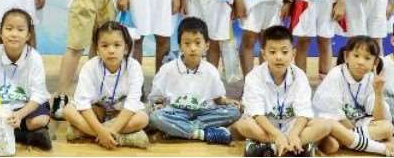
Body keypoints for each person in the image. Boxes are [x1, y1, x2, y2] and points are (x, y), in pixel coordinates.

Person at [232, 25, 330, 157]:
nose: (278, 57)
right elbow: (257, 114)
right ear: (264, 54)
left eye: (284, 52)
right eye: (272, 52)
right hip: (265, 128)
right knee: (243, 124)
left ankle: (270, 147)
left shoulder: (299, 76)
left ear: (293, 54)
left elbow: (303, 112)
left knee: (325, 125)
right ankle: (294, 147)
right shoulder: (254, 76)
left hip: (292, 127)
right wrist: (277, 135)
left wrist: (294, 134)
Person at [313, 36, 394, 156]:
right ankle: (380, 147)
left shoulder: (371, 78)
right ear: (346, 56)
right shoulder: (335, 75)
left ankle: (344, 141)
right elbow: (336, 117)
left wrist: (378, 93)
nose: (361, 62)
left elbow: (380, 118)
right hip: (333, 124)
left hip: (354, 126)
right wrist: (354, 133)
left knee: (388, 127)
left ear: (375, 62)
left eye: (367, 58)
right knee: (333, 142)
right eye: (356, 56)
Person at [148, 17, 241, 146]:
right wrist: (158, 105)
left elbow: (218, 99)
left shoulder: (211, 70)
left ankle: (178, 130)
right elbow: (157, 97)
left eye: (197, 43)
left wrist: (228, 102)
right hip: (177, 113)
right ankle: (205, 134)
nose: (192, 48)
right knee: (156, 117)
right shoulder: (167, 69)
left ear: (206, 45)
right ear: (180, 46)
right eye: (187, 43)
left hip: (204, 113)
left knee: (234, 112)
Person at [0, 9, 52, 150]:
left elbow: (39, 94)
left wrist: (20, 115)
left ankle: (2, 132)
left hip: (24, 106)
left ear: (28, 35)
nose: (14, 34)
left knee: (40, 120)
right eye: (9, 29)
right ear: (1, 33)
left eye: (20, 30)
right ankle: (26, 136)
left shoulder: (35, 58)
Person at [62, 21, 150, 150]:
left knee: (142, 118)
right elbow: (83, 103)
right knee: (68, 111)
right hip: (97, 111)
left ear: (126, 48)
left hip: (120, 113)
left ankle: (86, 133)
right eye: (104, 46)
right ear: (97, 49)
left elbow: (132, 103)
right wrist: (101, 131)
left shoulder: (134, 67)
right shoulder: (90, 67)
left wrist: (111, 130)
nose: (111, 50)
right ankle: (121, 138)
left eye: (117, 45)